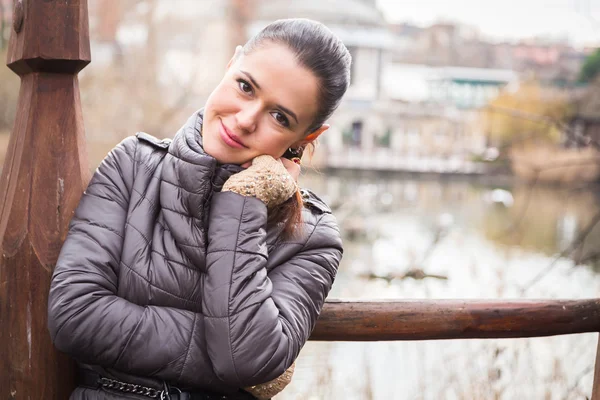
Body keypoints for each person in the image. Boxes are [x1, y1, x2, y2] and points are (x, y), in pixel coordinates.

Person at [47, 18, 351, 400]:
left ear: (307, 136)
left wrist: (244, 201)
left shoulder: (312, 236)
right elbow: (75, 316)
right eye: (245, 86)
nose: (244, 120)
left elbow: (247, 361)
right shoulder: (133, 166)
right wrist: (231, 353)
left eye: (279, 117)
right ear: (231, 65)